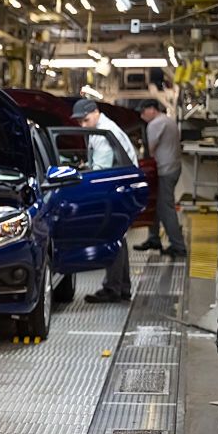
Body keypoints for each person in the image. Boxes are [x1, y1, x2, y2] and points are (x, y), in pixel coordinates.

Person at [70, 99, 138, 304]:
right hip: (124, 186)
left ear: (96, 112)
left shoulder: (103, 134)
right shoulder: (104, 128)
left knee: (111, 235)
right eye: (80, 122)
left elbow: (101, 170)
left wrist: (80, 177)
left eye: (85, 119)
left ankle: (112, 288)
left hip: (117, 189)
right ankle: (122, 287)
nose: (83, 125)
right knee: (119, 236)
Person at [133, 99, 186, 258]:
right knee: (156, 203)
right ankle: (154, 238)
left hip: (165, 171)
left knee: (165, 208)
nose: (142, 116)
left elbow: (150, 148)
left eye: (143, 112)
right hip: (172, 168)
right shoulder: (167, 120)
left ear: (152, 109)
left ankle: (178, 246)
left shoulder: (155, 124)